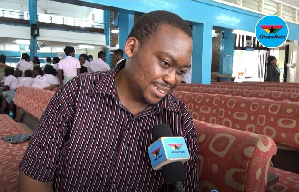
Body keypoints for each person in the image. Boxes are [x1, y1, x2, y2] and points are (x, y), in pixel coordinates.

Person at [19, 10, 199, 191]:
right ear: (131, 47)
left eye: (181, 71)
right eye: (165, 63)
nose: (172, 79)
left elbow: (187, 186)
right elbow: (35, 176)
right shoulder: (77, 93)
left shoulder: (179, 118)